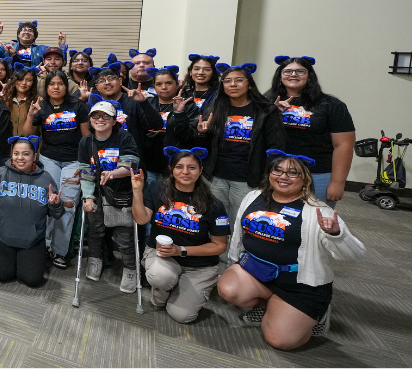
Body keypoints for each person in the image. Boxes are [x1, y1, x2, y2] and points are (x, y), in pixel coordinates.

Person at [218, 150, 364, 350]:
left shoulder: (318, 211)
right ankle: (270, 305)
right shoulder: (253, 197)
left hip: (299, 285)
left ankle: (317, 315)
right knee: (228, 288)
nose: (283, 177)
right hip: (258, 272)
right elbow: (238, 234)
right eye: (277, 170)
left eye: (292, 173)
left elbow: (355, 255)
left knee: (280, 340)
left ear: (305, 179)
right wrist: (233, 261)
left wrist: (336, 234)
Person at [170, 63, 285, 218]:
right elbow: (194, 142)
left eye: (239, 80)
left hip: (248, 179)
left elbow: (276, 147)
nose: (233, 84)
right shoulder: (215, 108)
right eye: (227, 81)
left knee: (241, 220)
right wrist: (200, 132)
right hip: (215, 177)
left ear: (250, 84)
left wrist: (267, 177)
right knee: (214, 218)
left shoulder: (266, 111)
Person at [130, 147, 229, 323]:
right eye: (179, 167)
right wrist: (137, 190)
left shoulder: (214, 204)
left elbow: (220, 246)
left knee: (182, 315)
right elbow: (141, 219)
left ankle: (182, 289)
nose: (185, 172)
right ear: (171, 169)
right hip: (163, 256)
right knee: (161, 277)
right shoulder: (157, 189)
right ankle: (166, 287)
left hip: (199, 265)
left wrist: (180, 250)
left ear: (201, 170)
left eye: (192, 167)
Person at [264, 56, 355, 206]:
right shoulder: (266, 102)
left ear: (309, 76)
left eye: (300, 71)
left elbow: (343, 145)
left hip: (317, 175)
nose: (293, 75)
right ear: (280, 76)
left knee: (315, 217)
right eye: (288, 71)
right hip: (277, 173)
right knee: (275, 216)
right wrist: (272, 112)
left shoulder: (331, 105)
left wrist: (337, 182)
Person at [24, 70, 89, 269]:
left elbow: (86, 137)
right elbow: (28, 134)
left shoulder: (78, 106)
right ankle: (44, 245)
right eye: (52, 83)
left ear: (66, 86)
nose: (56, 87)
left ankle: (60, 251)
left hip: (73, 162)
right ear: (46, 87)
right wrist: (31, 114)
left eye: (60, 83)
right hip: (49, 159)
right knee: (48, 202)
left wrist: (84, 164)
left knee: (67, 205)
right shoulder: (41, 107)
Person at [0, 135, 64, 287]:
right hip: (2, 235)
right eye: (16, 153)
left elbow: (57, 215)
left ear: (34, 156)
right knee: (1, 275)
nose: (20, 158)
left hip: (32, 239)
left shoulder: (46, 179)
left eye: (26, 154)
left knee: (32, 280)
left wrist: (56, 205)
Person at [79, 100, 141, 293]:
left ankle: (131, 270)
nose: (100, 119)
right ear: (90, 120)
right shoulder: (86, 142)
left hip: (120, 193)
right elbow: (85, 171)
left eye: (106, 116)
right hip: (97, 193)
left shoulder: (124, 137)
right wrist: (88, 197)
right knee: (95, 231)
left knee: (124, 236)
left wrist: (113, 174)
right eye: (96, 116)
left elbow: (131, 164)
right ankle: (94, 260)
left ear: (114, 120)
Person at [0, 21, 66, 68]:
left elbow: (62, 62)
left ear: (34, 36)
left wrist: (61, 46)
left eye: (30, 30)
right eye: (23, 30)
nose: (26, 32)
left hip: (35, 78)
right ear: (18, 35)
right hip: (13, 78)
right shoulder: (8, 46)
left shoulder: (42, 49)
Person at [2, 66, 39, 137]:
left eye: (28, 80)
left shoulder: (37, 102)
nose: (24, 83)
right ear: (14, 80)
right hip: (7, 142)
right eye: (20, 79)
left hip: (28, 142)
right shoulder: (5, 99)